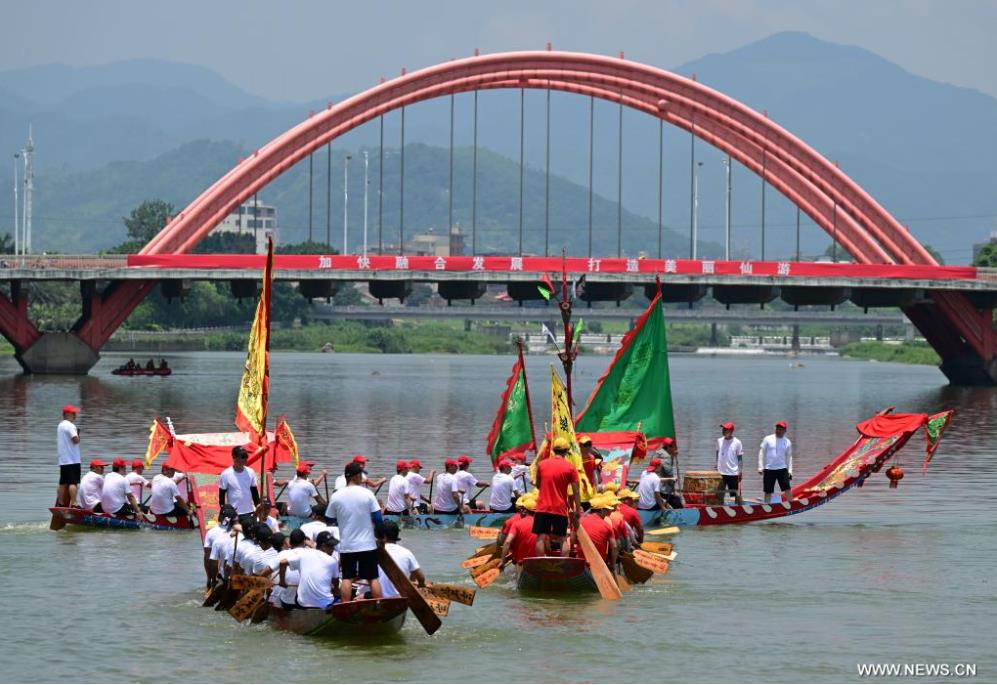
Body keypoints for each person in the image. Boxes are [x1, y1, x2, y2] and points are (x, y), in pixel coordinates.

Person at [326, 461, 384, 602]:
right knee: (372, 578)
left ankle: (346, 606)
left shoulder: (336, 496)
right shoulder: (367, 494)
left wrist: (343, 521)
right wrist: (381, 538)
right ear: (356, 476)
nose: (362, 478)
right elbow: (378, 518)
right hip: (367, 544)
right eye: (361, 475)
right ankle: (378, 605)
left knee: (347, 578)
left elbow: (329, 520)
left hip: (347, 545)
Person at [533, 437, 580, 556]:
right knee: (563, 538)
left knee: (541, 536)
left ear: (553, 450)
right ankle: (564, 562)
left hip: (543, 507)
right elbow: (576, 492)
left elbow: (538, 485)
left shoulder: (542, 464)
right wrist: (577, 510)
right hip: (560, 508)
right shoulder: (570, 468)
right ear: (566, 452)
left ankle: (540, 561)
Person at [279, 530, 341, 609]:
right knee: (338, 596)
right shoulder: (332, 561)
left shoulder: (305, 554)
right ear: (323, 546)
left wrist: (282, 582)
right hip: (325, 604)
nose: (333, 549)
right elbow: (336, 583)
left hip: (302, 604)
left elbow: (282, 563)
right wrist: (336, 590)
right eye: (331, 546)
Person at [374, 520, 426, 597]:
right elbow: (421, 578)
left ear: (383, 537)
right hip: (400, 597)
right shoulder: (407, 553)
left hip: (377, 597)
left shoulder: (372, 552)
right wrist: (419, 585)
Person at [577, 495, 619, 567]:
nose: (609, 511)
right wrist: (613, 565)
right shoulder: (606, 525)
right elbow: (614, 546)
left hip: (581, 561)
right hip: (599, 563)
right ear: (602, 510)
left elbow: (573, 540)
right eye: (607, 509)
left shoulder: (579, 521)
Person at [219, 446, 260, 517]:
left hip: (249, 511)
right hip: (233, 513)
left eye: (246, 457)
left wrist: (258, 506)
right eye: (242, 457)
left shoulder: (251, 472)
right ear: (234, 457)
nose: (245, 459)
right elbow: (222, 495)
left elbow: (254, 492)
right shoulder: (226, 474)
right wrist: (223, 510)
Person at [500, 494, 539, 567]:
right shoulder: (542, 524)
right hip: (537, 562)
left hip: (520, 561)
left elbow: (506, 542)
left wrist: (502, 560)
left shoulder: (514, 523)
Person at [759, 420, 793, 503]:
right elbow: (761, 453)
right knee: (768, 491)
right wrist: (760, 467)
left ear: (785, 430)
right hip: (769, 469)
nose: (778, 430)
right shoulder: (768, 439)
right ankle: (766, 507)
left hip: (782, 469)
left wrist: (790, 471)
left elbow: (789, 457)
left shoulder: (787, 442)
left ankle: (792, 505)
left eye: (781, 429)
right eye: (777, 428)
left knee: (787, 489)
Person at [204, 505, 238, 588]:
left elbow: (209, 559)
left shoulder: (211, 532)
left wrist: (211, 580)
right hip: (238, 575)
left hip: (223, 576)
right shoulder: (241, 533)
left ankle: (210, 581)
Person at [56, 404, 82, 508]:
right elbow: (75, 440)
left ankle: (61, 502)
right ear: (67, 414)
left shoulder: (60, 425)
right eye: (73, 413)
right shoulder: (71, 426)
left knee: (63, 482)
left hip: (63, 460)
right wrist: (78, 435)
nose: (75, 415)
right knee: (73, 483)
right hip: (73, 460)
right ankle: (75, 503)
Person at [285, 463, 325, 528]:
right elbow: (319, 501)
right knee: (322, 508)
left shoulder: (290, 483)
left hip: (290, 513)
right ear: (306, 474)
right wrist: (327, 506)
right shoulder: (308, 485)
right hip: (305, 515)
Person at [716, 421, 744, 505]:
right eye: (723, 429)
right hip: (721, 473)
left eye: (725, 429)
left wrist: (740, 471)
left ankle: (741, 510)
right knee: (719, 495)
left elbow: (740, 458)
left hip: (733, 473)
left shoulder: (737, 442)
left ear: (731, 431)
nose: (723, 430)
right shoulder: (719, 441)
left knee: (736, 495)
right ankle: (719, 510)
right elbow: (717, 453)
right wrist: (716, 464)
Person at [656, 437, 684, 508]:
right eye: (674, 447)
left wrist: (672, 456)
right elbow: (669, 473)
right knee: (677, 502)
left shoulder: (659, 453)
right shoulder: (666, 457)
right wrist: (674, 490)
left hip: (656, 486)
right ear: (668, 447)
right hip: (663, 489)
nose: (676, 449)